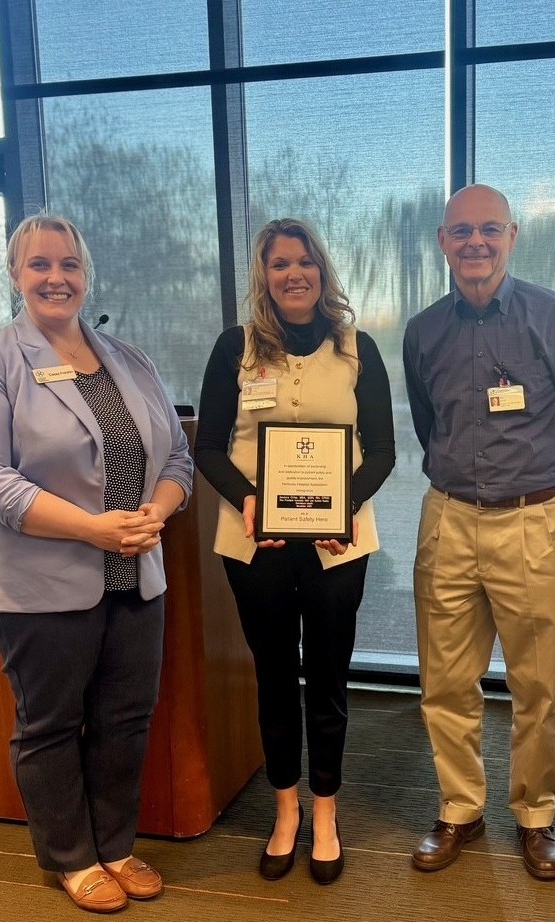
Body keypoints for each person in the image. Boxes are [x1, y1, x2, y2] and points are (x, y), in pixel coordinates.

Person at [0, 214, 193, 914]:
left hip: (134, 573)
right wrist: (92, 528)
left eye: (69, 265)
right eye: (40, 265)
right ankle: (73, 857)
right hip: (35, 582)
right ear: (15, 275)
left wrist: (156, 513)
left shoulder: (128, 359)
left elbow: (175, 456)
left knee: (126, 717)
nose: (56, 278)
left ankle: (116, 846)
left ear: (87, 275)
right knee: (50, 722)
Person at [403, 184, 555, 879]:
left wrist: (536, 482)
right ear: (442, 242)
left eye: (490, 229)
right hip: (449, 518)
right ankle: (460, 807)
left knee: (537, 685)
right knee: (445, 682)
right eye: (461, 231)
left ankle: (536, 815)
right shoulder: (424, 331)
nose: (476, 243)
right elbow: (429, 424)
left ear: (513, 236)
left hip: (533, 519)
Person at [196, 217, 395, 885]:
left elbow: (383, 449)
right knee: (275, 676)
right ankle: (286, 809)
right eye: (279, 263)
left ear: (322, 270)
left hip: (340, 542)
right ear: (265, 274)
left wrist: (345, 505)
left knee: (330, 679)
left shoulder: (358, 348)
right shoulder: (235, 348)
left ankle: (326, 810)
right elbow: (208, 447)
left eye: (304, 261)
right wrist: (248, 498)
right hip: (254, 540)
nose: (293, 274)